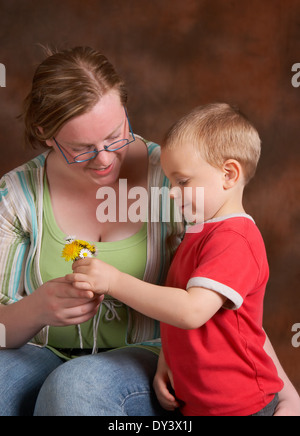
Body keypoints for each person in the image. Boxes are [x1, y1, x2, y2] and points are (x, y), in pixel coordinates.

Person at [68, 103, 300, 416]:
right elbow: (180, 315)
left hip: (241, 404)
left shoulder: (235, 239)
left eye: (183, 181)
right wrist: (169, 358)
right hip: (199, 402)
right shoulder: (198, 232)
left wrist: (114, 281)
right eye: (171, 181)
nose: (172, 193)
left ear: (229, 174)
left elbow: (192, 311)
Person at [0, 46, 183, 416]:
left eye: (116, 136)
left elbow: (229, 277)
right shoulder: (16, 194)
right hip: (40, 351)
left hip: (151, 353)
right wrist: (36, 309)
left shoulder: (171, 177)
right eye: (82, 149)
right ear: (46, 134)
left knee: (75, 386)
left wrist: (281, 386)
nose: (104, 159)